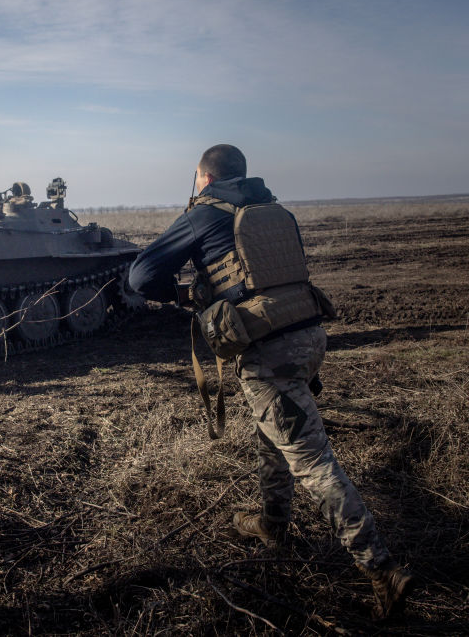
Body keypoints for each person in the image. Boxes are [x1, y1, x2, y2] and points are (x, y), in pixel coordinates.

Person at [128, 144, 412, 620]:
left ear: (204, 177)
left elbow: (140, 276)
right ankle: (272, 523)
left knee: (312, 460)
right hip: (308, 334)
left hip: (270, 352)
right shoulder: (274, 209)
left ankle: (382, 568)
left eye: (197, 180)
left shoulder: (205, 213)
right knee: (272, 435)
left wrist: (184, 294)